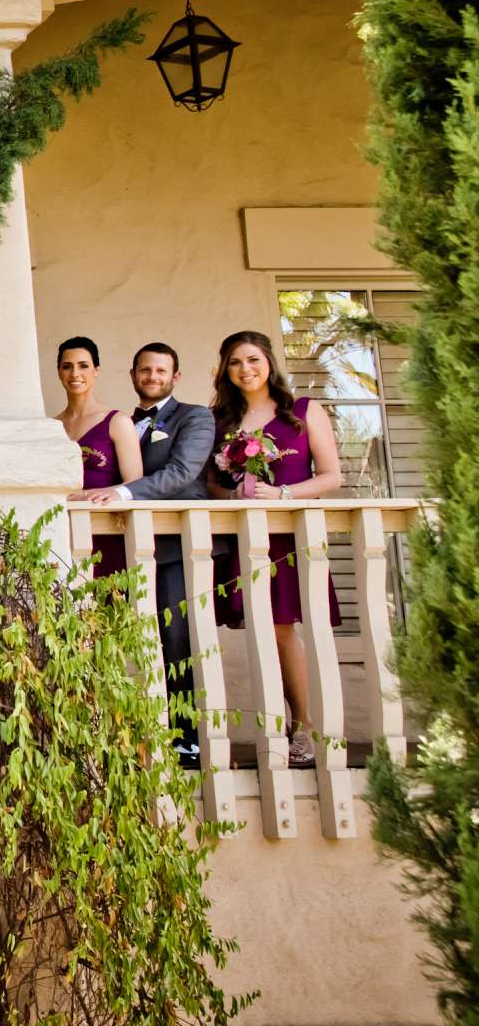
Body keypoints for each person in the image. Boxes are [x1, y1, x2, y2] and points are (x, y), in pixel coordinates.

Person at [205, 328, 343, 771]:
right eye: (235, 362)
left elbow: (331, 476)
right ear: (225, 370)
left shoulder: (302, 412)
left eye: (253, 360)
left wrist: (282, 495)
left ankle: (302, 727)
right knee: (263, 631)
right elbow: (210, 481)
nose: (245, 369)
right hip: (245, 538)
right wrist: (233, 496)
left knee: (284, 630)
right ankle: (280, 726)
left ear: (269, 363)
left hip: (290, 535)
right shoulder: (220, 421)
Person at [77, 341, 216, 765]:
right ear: (132, 374)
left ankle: (186, 740)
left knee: (176, 638)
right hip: (125, 549)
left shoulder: (195, 417)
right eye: (145, 370)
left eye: (161, 371)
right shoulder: (121, 422)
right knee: (117, 639)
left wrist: (119, 492)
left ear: (175, 377)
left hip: (176, 547)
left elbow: (181, 474)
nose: (152, 377)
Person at [54, 335, 143, 578]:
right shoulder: (51, 427)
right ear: (59, 372)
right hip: (61, 529)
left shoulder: (117, 421)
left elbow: (135, 484)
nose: (75, 373)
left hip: (106, 529)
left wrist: (82, 496)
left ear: (96, 371)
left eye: (83, 365)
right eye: (67, 366)